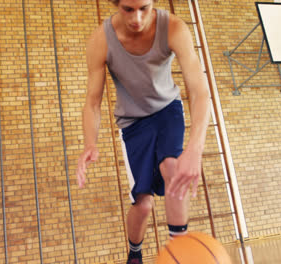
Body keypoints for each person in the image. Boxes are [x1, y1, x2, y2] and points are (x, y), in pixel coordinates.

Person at [76, 0, 210, 263]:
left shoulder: (173, 28)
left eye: (144, 8)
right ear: (116, 4)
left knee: (172, 168)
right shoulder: (101, 40)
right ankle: (135, 254)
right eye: (128, 9)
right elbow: (93, 101)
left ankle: (178, 252)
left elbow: (199, 91)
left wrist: (195, 148)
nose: (137, 17)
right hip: (133, 123)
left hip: (167, 110)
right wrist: (89, 143)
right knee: (143, 205)